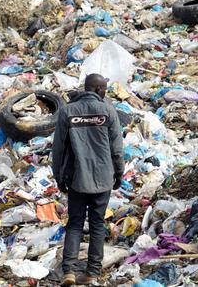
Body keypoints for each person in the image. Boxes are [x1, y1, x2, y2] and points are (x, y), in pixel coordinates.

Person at [51, 74, 125, 286]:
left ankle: (69, 272)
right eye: (104, 89)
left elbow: (58, 149)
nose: (105, 93)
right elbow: (117, 149)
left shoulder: (68, 111)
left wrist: (59, 176)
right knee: (97, 224)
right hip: (103, 178)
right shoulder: (108, 111)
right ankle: (92, 272)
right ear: (99, 89)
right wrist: (118, 174)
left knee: (74, 223)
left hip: (76, 178)